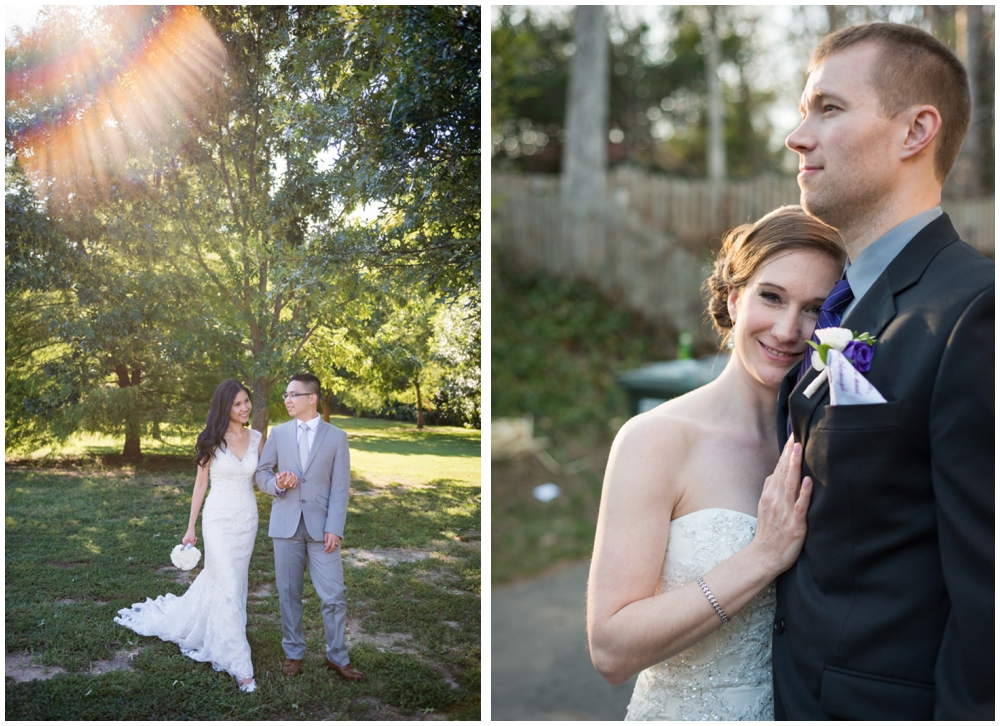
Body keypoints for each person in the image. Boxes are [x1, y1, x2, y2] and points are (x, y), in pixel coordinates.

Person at [774, 23, 994, 720]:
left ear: (914, 132)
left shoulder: (976, 313)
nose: (797, 136)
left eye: (828, 109)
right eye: (805, 110)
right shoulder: (845, 303)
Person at [587, 206, 846, 720]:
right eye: (771, 297)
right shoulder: (655, 439)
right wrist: (762, 557)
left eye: (816, 309)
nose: (789, 329)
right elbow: (610, 650)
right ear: (734, 297)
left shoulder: (831, 443)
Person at [115, 379, 285, 693]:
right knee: (229, 583)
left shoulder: (258, 438)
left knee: (232, 581)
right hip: (218, 520)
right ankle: (240, 664)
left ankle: (218, 628)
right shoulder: (209, 440)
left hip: (247, 520)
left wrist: (281, 481)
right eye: (237, 404)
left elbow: (265, 475)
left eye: (246, 401)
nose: (245, 407)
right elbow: (200, 485)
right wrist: (191, 527)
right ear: (225, 407)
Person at [255, 373, 363, 681]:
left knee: (334, 595)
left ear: (312, 398)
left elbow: (341, 487)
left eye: (293, 395)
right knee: (288, 593)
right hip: (285, 525)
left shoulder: (336, 437)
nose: (287, 399)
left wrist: (335, 527)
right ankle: (293, 653)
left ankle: (337, 656)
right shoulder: (279, 433)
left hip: (322, 529)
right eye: (285, 394)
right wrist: (275, 483)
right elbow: (261, 473)